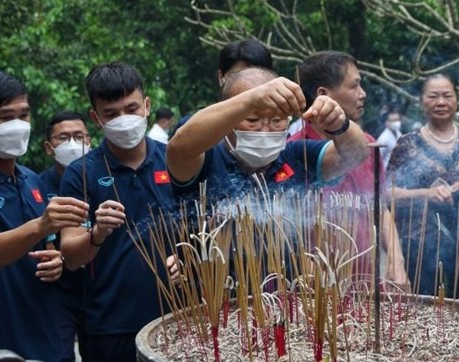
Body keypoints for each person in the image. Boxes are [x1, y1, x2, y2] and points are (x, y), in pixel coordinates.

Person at [0, 70, 88, 360]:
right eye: (5, 117)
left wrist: (56, 262)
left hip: (49, 343)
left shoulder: (32, 181)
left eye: (23, 115)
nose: (18, 125)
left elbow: (48, 249)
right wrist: (40, 225)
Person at [59, 62, 178, 362]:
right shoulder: (81, 174)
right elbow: (71, 257)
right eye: (111, 113)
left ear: (147, 106)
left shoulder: (176, 159)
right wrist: (96, 233)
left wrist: (188, 257)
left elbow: (204, 229)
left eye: (132, 108)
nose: (124, 120)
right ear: (95, 117)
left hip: (178, 315)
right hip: (110, 327)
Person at [288, 50, 408, 288]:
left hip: (366, 285)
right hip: (316, 293)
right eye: (354, 86)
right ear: (323, 95)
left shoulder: (368, 143)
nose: (362, 95)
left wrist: (397, 260)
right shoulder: (294, 152)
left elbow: (380, 209)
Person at [167, 66, 370, 203]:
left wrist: (339, 123)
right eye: (252, 120)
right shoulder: (206, 160)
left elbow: (356, 154)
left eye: (276, 120)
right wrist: (252, 100)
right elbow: (179, 147)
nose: (265, 131)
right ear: (228, 119)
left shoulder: (297, 157)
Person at [387, 74, 459, 298]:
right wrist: (427, 193)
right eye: (433, 96)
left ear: (457, 100)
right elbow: (388, 194)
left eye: (447, 95)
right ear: (422, 101)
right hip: (420, 245)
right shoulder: (406, 144)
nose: (441, 102)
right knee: (423, 308)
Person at [39, 110, 91, 361]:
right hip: (58, 292)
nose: (73, 143)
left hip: (99, 287)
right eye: (64, 138)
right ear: (49, 147)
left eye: (79, 136)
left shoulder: (101, 179)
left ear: (89, 141)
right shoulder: (36, 187)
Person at [171, 39, 274, 139]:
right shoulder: (191, 127)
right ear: (221, 77)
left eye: (255, 77)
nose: (247, 84)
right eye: (236, 76)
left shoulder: (278, 131)